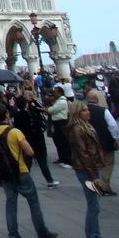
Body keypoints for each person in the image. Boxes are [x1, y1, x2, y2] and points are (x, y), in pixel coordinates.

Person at [0, 103, 57, 238]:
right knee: (33, 202)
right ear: (7, 115)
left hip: (5, 173)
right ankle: (42, 231)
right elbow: (30, 152)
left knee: (11, 203)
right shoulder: (14, 132)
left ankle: (13, 234)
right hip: (20, 170)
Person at [65, 100, 105, 238]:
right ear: (77, 113)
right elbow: (83, 154)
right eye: (84, 110)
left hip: (92, 167)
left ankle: (94, 233)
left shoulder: (85, 126)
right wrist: (93, 176)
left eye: (87, 109)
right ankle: (92, 234)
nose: (88, 112)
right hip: (86, 169)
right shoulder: (77, 129)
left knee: (95, 205)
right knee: (94, 205)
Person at [13, 95, 59, 188]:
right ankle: (49, 180)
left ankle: (25, 181)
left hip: (25, 141)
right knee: (42, 163)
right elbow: (39, 125)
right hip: (37, 141)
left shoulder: (16, 116)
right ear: (26, 104)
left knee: (27, 163)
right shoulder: (31, 113)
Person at [85, 90, 119, 195]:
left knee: (93, 163)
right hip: (104, 142)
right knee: (108, 163)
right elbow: (112, 125)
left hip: (88, 143)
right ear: (97, 100)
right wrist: (116, 138)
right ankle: (104, 186)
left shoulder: (81, 110)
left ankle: (94, 183)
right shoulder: (103, 110)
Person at [47, 87, 71, 168]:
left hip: (61, 123)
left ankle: (68, 161)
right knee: (59, 142)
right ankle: (63, 158)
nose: (54, 93)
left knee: (63, 142)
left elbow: (51, 110)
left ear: (60, 93)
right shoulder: (58, 101)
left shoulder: (61, 102)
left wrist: (47, 109)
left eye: (56, 92)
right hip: (57, 123)